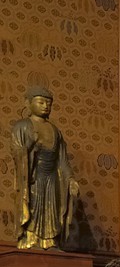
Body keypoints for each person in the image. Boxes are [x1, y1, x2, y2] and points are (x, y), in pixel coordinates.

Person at [10, 85, 79, 250]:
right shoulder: (22, 126)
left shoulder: (55, 131)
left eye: (49, 103)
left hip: (53, 178)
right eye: (41, 102)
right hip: (33, 176)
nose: (45, 106)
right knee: (33, 208)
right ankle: (30, 239)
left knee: (52, 210)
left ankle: (50, 241)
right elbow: (17, 151)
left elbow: (62, 160)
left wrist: (70, 179)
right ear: (28, 103)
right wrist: (30, 146)